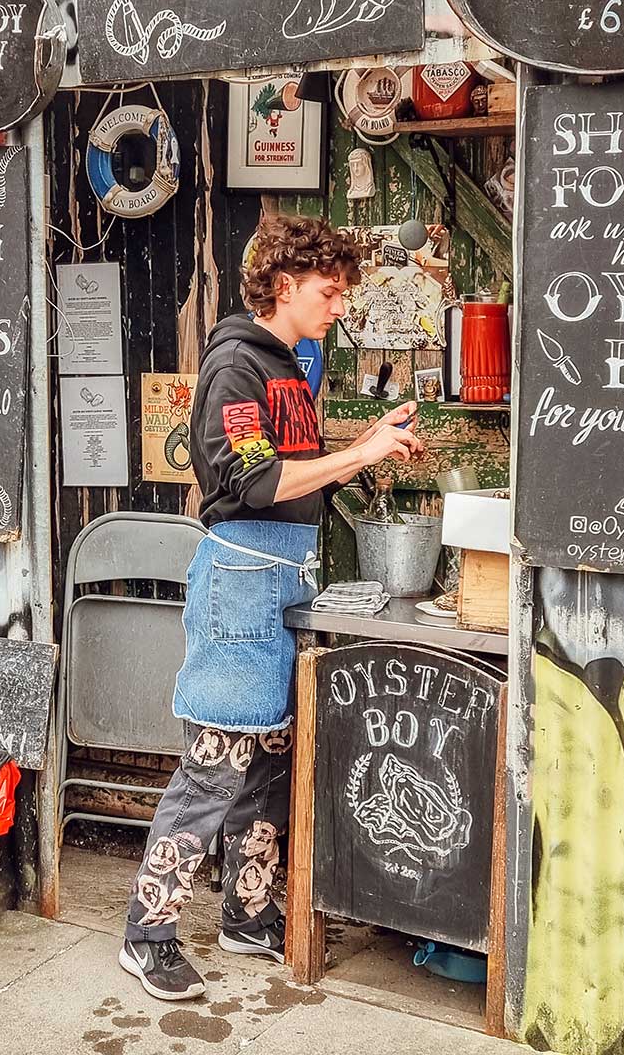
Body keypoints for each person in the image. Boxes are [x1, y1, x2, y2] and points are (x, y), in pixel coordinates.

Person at [119, 214, 423, 1001]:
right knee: (216, 768)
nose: (338, 307)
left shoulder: (289, 365)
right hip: (238, 582)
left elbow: (292, 468)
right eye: (329, 293)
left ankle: (245, 916)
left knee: (266, 766)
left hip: (284, 580)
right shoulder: (235, 367)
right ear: (283, 286)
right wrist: (358, 454)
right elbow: (252, 484)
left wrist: (367, 438)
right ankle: (147, 933)